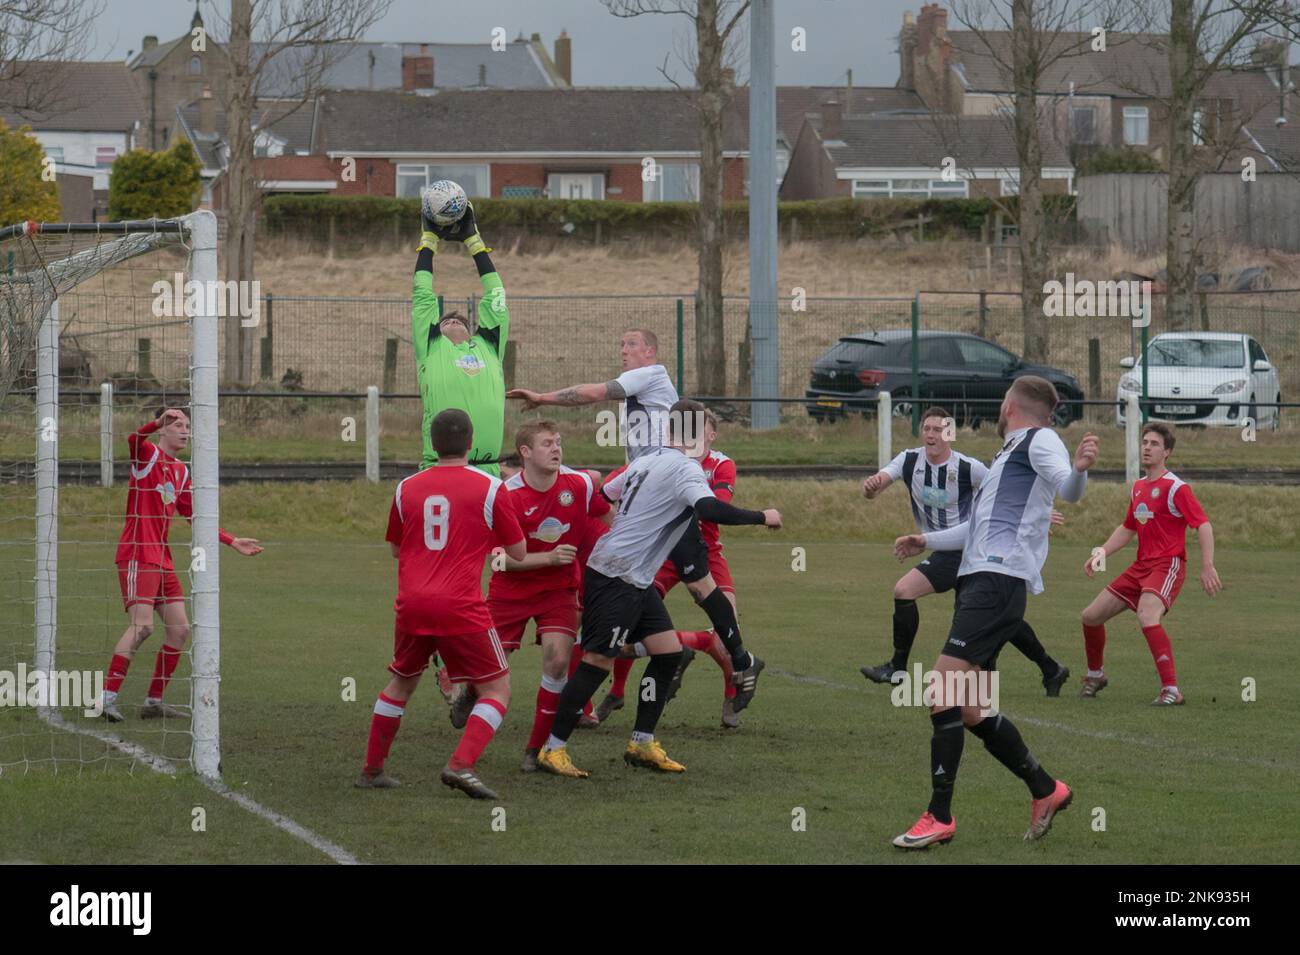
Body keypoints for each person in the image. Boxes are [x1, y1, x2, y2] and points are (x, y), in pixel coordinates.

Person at [890, 377, 1097, 849]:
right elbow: (975, 528)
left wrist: (1080, 470)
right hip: (982, 582)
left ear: (1009, 404)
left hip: (996, 582)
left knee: (940, 690)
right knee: (968, 707)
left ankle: (939, 816)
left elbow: (1068, 488)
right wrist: (926, 540)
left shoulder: (1039, 439)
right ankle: (1046, 789)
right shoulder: (1007, 453)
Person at [535, 400, 781, 779]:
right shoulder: (685, 468)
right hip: (617, 577)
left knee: (667, 653)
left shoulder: (646, 460)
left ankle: (642, 741)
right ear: (699, 436)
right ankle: (552, 749)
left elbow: (603, 497)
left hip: (633, 576)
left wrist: (633, 524)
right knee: (597, 661)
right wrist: (763, 516)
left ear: (668, 431)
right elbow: (711, 509)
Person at [510, 338, 760, 711]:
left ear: (650, 354)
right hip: (646, 490)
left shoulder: (651, 375)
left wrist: (543, 398)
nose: (623, 350)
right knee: (639, 596)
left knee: (694, 586)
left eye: (631, 344)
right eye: (622, 344)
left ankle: (735, 657)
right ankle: (681, 662)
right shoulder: (643, 399)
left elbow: (597, 392)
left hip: (665, 491)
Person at [357, 409, 525, 800]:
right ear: (471, 443)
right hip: (461, 605)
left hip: (412, 603)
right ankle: (460, 765)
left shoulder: (406, 487)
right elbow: (516, 551)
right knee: (497, 690)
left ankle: (372, 769)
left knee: (401, 682)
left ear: (432, 446)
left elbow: (398, 549)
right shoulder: (490, 487)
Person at [859, 407, 1070, 696]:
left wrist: (1040, 515)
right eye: (927, 429)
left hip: (969, 548)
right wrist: (871, 488)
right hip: (945, 549)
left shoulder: (969, 468)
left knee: (904, 590)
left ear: (950, 434)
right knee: (999, 619)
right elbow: (879, 483)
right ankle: (1050, 668)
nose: (931, 435)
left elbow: (1009, 492)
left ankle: (898, 667)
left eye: (938, 429)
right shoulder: (909, 460)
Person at [101, 409, 262, 722]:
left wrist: (232, 541)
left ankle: (153, 701)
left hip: (162, 558)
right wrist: (154, 423)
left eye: (187, 426)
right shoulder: (146, 456)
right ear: (162, 430)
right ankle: (106, 697)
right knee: (142, 626)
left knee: (179, 629)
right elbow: (133, 439)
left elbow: (195, 518)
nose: (184, 431)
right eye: (177, 425)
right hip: (137, 554)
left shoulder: (180, 471)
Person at [599, 408, 750, 728]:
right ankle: (616, 691)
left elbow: (714, 508)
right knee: (632, 620)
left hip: (707, 553)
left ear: (711, 435)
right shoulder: (661, 458)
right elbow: (613, 485)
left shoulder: (721, 465)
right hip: (664, 554)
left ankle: (730, 695)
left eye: (701, 431)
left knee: (728, 632)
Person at [486, 421, 612, 772]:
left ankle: (536, 750)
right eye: (546, 444)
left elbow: (609, 515)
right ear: (525, 452)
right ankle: (465, 689)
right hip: (509, 593)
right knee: (489, 673)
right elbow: (496, 560)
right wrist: (547, 558)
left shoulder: (579, 486)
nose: (556, 449)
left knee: (558, 661)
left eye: (558, 443)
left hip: (558, 590)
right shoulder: (505, 495)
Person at [1078, 422, 1219, 705]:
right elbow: (1129, 527)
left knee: (1147, 615)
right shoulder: (1139, 487)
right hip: (1141, 566)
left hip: (1168, 565)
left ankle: (1171, 690)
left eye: (1154, 444)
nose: (1147, 447)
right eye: (1144, 442)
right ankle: (1096, 675)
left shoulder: (1176, 487)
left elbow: (1203, 525)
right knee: (1090, 616)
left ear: (1166, 452)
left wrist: (1208, 565)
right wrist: (1102, 552)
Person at [412, 200, 509, 475]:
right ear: (436, 330)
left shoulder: (488, 347)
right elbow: (422, 295)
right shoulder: (431, 348)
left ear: (472, 332)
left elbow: (496, 296)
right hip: (440, 469)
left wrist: (474, 241)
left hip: (489, 470)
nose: (453, 320)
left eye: (461, 321)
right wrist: (429, 240)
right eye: (445, 321)